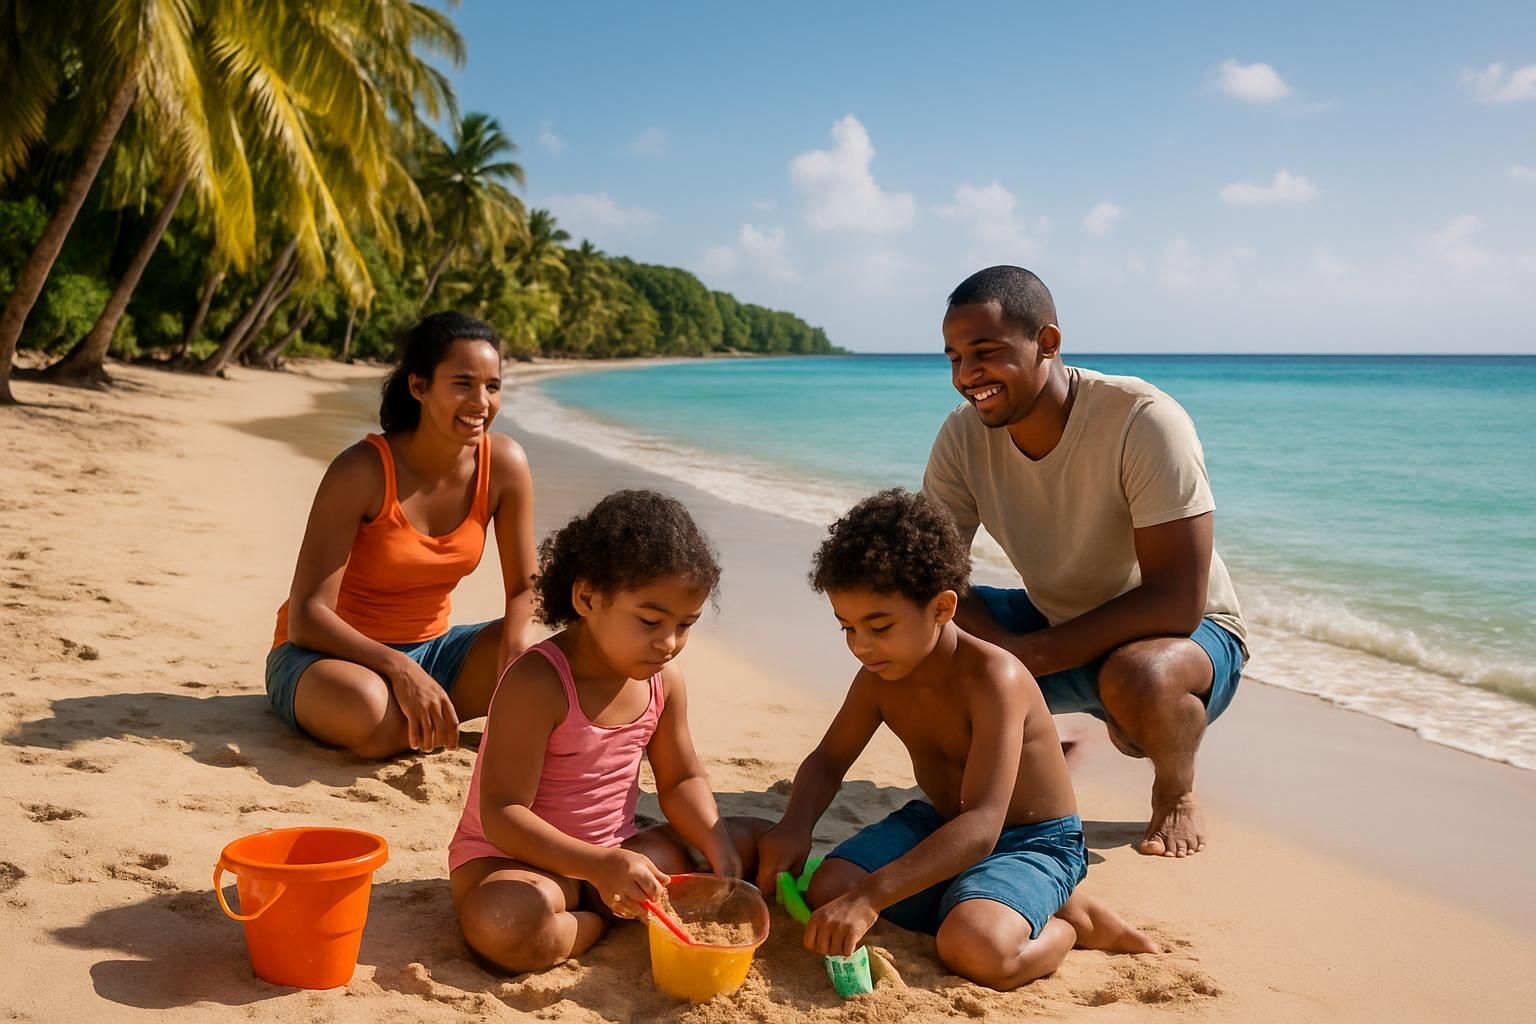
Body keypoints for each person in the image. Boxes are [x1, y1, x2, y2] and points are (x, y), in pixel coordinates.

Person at [757, 490, 1155, 990]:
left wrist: (871, 898)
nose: (861, 646)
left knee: (975, 948)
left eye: (879, 626)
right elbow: (829, 759)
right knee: (830, 887)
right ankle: (986, 898)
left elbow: (985, 824)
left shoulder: (995, 679)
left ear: (943, 607)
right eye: (848, 628)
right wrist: (795, 826)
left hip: (1028, 840)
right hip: (941, 824)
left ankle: (1071, 923)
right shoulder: (880, 676)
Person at [921, 265, 1247, 858]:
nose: (967, 376)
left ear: (1047, 343)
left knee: (1139, 679)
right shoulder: (963, 437)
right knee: (923, 629)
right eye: (953, 358)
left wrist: (1021, 662)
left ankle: (1175, 794)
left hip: (1186, 635)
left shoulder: (1142, 420)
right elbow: (933, 569)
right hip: (1055, 618)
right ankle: (1032, 759)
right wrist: (999, 653)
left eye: (986, 353)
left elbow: (1177, 600)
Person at [449, 490, 766, 973]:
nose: (669, 642)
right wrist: (596, 868)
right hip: (518, 864)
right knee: (505, 923)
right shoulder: (538, 682)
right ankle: (596, 923)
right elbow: (503, 815)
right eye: (650, 621)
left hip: (618, 854)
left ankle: (608, 903)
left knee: (753, 840)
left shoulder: (662, 681)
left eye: (685, 625)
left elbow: (680, 780)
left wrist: (714, 837)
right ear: (587, 597)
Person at [266, 311, 538, 758]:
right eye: (462, 383)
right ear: (419, 387)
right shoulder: (361, 471)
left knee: (559, 655)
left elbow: (526, 589)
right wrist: (399, 670)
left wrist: (514, 652)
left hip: (436, 654)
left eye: (492, 386)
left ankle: (423, 716)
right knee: (373, 711)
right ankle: (414, 716)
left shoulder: (505, 464)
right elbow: (307, 616)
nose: (481, 402)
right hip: (325, 661)